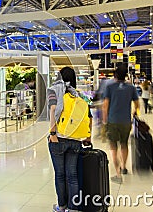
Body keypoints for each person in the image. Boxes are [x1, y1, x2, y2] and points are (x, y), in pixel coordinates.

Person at [47, 67, 92, 212]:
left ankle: (62, 206)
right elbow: (89, 117)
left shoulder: (54, 91)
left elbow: (53, 110)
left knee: (60, 175)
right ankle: (73, 208)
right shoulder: (79, 95)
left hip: (58, 139)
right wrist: (88, 137)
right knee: (72, 175)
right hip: (76, 139)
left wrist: (53, 133)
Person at [102, 65, 139, 184]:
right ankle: (124, 167)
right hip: (126, 121)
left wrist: (104, 120)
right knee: (124, 144)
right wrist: (134, 114)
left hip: (113, 121)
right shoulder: (131, 87)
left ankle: (117, 173)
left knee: (113, 147)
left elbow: (105, 105)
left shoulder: (110, 87)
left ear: (115, 75)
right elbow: (137, 104)